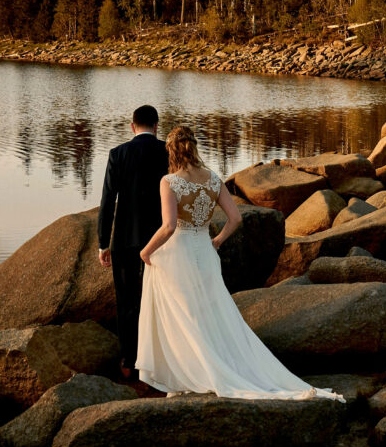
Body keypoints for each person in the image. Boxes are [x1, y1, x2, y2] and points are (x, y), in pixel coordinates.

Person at [136, 126, 342, 401]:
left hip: (180, 252)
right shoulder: (213, 179)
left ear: (171, 151)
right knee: (211, 312)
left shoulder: (169, 181)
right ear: (194, 147)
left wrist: (146, 251)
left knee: (185, 314)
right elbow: (236, 218)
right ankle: (208, 369)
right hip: (205, 252)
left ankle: (195, 373)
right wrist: (218, 241)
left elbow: (169, 226)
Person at [98, 105, 169, 380]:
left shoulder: (118, 154)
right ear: (156, 126)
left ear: (132, 126)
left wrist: (103, 243)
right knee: (161, 297)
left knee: (126, 300)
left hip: (125, 239)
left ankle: (129, 360)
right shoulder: (167, 151)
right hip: (161, 238)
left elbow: (107, 202)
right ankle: (160, 356)